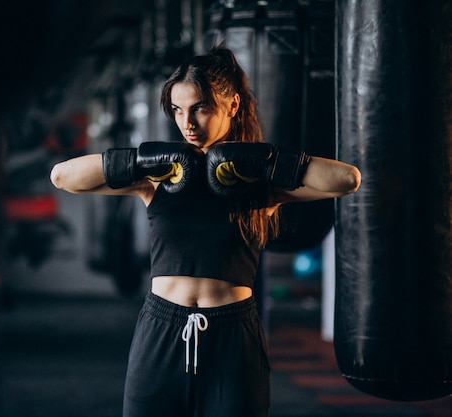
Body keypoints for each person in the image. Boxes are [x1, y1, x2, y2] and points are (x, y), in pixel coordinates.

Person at [50, 46, 361, 417]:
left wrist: (263, 162)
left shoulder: (258, 182)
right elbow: (62, 177)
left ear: (231, 105)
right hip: (161, 330)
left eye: (200, 107)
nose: (188, 123)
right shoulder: (161, 177)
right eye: (178, 111)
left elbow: (347, 180)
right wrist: (139, 160)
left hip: (233, 336)